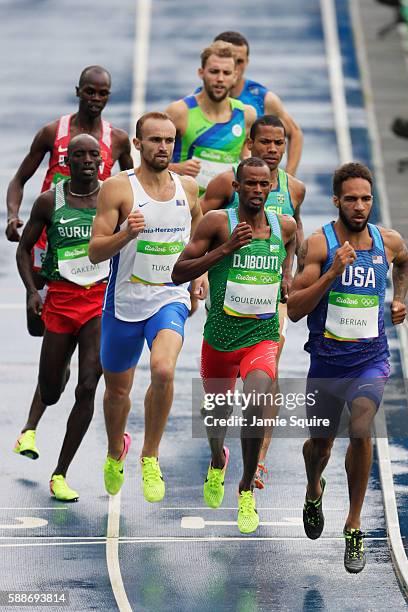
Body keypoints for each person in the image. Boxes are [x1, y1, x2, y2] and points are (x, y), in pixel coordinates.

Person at [287, 162, 408, 573]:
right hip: (326, 363)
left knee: (362, 428)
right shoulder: (319, 246)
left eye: (366, 199)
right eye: (352, 199)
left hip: (371, 360)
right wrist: (333, 273)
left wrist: (398, 299)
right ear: (337, 200)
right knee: (319, 447)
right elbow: (294, 310)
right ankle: (312, 488)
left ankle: (354, 525)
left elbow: (405, 262)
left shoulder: (386, 241)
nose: (360, 207)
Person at [8, 66, 132, 463]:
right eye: (90, 92)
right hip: (50, 247)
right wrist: (13, 215)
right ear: (79, 92)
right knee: (41, 336)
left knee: (87, 375)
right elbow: (20, 179)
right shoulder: (52, 133)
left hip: (94, 255)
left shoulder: (116, 139)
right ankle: (48, 390)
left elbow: (136, 181)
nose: (96, 99)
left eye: (103, 94)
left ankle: (30, 431)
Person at [172, 157, 296, 534]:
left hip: (261, 336)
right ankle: (216, 461)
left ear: (271, 188)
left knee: (258, 400)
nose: (258, 190)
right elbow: (178, 271)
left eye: (265, 184)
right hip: (220, 340)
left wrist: (286, 276)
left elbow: (291, 248)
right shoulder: (217, 222)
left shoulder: (283, 225)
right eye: (251, 184)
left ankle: (245, 488)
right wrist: (224, 251)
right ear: (237, 186)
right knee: (217, 421)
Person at [88, 112, 206, 503]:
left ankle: (150, 456)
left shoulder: (188, 189)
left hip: (167, 298)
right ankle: (113, 451)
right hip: (123, 304)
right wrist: (126, 233)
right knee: (117, 393)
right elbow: (94, 251)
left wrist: (199, 274)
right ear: (138, 145)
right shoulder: (118, 190)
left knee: (163, 369)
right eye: (154, 140)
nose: (163, 147)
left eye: (169, 140)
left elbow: (198, 234)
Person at [202, 114, 305, 488]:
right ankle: (218, 454)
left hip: (268, 294)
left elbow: (294, 234)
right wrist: (201, 274)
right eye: (265, 143)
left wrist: (287, 273)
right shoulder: (228, 182)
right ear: (251, 143)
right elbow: (202, 227)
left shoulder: (294, 189)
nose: (273, 149)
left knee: (265, 373)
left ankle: (257, 462)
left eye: (279, 144)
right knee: (217, 403)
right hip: (227, 292)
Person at [15, 134, 108, 501]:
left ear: (101, 161)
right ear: (66, 161)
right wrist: (32, 291)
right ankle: (59, 371)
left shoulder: (111, 198)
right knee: (52, 391)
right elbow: (24, 251)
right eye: (80, 155)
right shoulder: (49, 202)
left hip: (99, 301)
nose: (87, 160)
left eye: (93, 155)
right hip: (60, 300)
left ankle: (60, 473)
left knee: (88, 386)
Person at [196, 31, 303, 175]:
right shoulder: (196, 102)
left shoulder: (263, 100)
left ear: (247, 61)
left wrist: (289, 179)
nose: (236, 68)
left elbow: (295, 133)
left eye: (239, 61)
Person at [166, 41, 256, 196]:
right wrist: (176, 169)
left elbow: (247, 160)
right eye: (214, 71)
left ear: (235, 76)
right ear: (201, 73)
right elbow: (148, 161)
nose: (220, 78)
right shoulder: (180, 112)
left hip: (228, 210)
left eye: (226, 73)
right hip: (188, 207)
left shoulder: (246, 115)